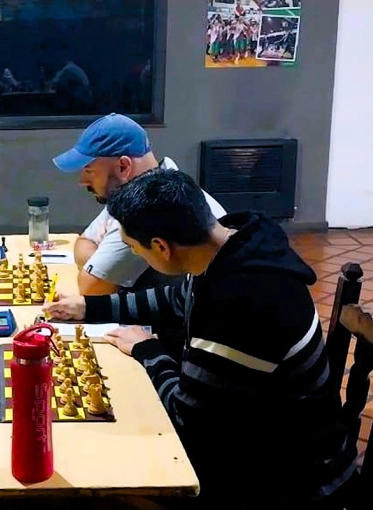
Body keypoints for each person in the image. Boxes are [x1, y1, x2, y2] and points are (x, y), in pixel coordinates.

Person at [42, 169, 359, 509]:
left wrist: (148, 350)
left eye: (135, 249)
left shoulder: (243, 304)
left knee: (93, 477)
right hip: (252, 438)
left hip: (289, 483)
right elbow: (175, 300)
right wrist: (89, 307)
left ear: (161, 247)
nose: (137, 255)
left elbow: (188, 423)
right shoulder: (231, 246)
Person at [52, 113, 227, 296]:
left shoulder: (153, 209)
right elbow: (84, 241)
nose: (82, 182)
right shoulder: (136, 193)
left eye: (89, 171)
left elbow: (92, 288)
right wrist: (99, 265)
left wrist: (99, 268)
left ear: (123, 166)